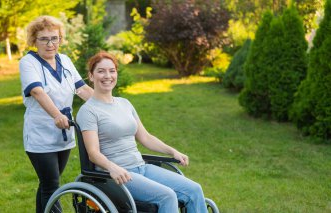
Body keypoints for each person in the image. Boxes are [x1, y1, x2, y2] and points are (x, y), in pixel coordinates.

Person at [76, 51, 208, 213]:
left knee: (194, 189)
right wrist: (112, 167)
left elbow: (145, 137)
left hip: (141, 167)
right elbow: (93, 153)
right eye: (101, 71)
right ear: (91, 76)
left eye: (112, 71)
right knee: (167, 196)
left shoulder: (125, 103)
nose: (107, 76)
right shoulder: (88, 111)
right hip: (117, 175)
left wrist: (172, 151)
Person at [19, 15, 93, 213]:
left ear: (61, 39)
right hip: (41, 134)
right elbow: (37, 91)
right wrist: (56, 115)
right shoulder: (28, 62)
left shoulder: (66, 60)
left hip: (64, 132)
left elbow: (82, 89)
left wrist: (108, 106)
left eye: (55, 38)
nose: (50, 43)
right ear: (34, 40)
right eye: (44, 39)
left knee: (47, 184)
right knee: (52, 186)